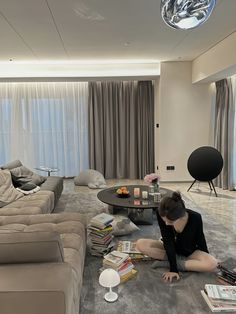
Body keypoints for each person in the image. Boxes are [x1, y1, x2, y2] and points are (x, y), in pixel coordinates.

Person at [136, 191, 218, 282]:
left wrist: (204, 256)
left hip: (190, 252)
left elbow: (200, 239)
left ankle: (167, 263)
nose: (166, 224)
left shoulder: (196, 218)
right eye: (165, 221)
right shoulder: (162, 214)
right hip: (170, 249)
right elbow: (168, 241)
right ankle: (179, 262)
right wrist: (173, 269)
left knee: (212, 263)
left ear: (180, 216)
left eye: (170, 222)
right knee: (140, 244)